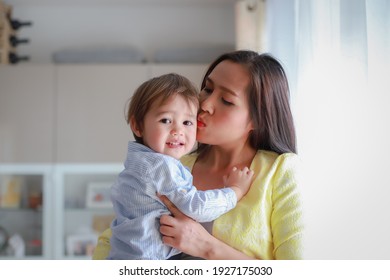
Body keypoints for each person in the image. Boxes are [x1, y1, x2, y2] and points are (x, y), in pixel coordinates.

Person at [93, 50, 304, 260]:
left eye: (227, 101)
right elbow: (113, 238)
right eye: (207, 89)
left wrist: (207, 247)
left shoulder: (280, 171)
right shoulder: (170, 163)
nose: (204, 104)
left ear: (257, 120)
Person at [108, 73, 254, 260]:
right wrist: (235, 191)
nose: (178, 131)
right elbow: (196, 207)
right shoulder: (161, 166)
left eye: (187, 122)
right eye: (166, 120)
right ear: (138, 126)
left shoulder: (136, 163)